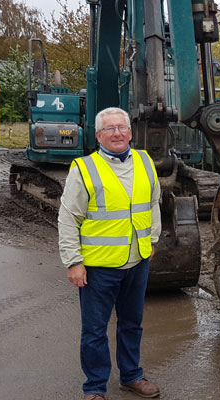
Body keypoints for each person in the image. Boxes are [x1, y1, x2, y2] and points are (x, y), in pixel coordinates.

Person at [58, 107, 162, 400]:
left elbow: (154, 203)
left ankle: (131, 376)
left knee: (132, 324)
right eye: (110, 129)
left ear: (130, 132)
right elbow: (68, 218)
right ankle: (94, 388)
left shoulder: (144, 161)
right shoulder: (85, 168)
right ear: (99, 135)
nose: (117, 133)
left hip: (136, 262)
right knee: (94, 331)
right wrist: (74, 262)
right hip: (98, 267)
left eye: (122, 128)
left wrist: (151, 240)